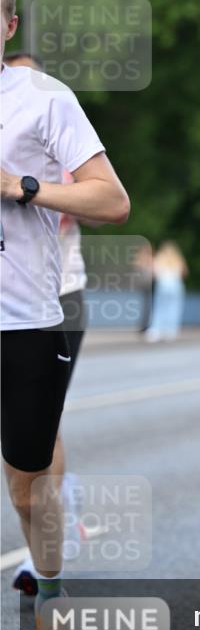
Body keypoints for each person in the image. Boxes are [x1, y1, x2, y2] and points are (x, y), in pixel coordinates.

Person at [0, 0, 130, 630]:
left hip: (23, 320)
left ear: (9, 27)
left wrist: (19, 185)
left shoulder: (44, 99)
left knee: (27, 489)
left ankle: (51, 597)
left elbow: (112, 200)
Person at [4, 55, 88, 596]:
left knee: (39, 442)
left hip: (54, 298)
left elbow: (99, 201)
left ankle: (48, 566)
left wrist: (24, 184)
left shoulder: (52, 119)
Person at [145, 240, 188, 342]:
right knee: (174, 308)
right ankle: (171, 330)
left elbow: (154, 273)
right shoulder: (178, 259)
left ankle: (156, 331)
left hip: (163, 284)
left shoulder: (159, 258)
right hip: (176, 284)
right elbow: (184, 272)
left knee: (160, 307)